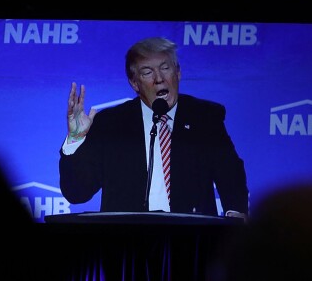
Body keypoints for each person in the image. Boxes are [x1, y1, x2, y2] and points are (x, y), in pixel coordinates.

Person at [59, 36, 248, 216]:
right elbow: (77, 193)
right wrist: (76, 139)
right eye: (147, 72)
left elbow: (230, 174)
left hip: (189, 236)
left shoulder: (204, 117)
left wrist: (235, 212)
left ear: (178, 72)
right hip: (127, 238)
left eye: (165, 68)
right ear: (134, 83)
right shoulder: (110, 124)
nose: (159, 79)